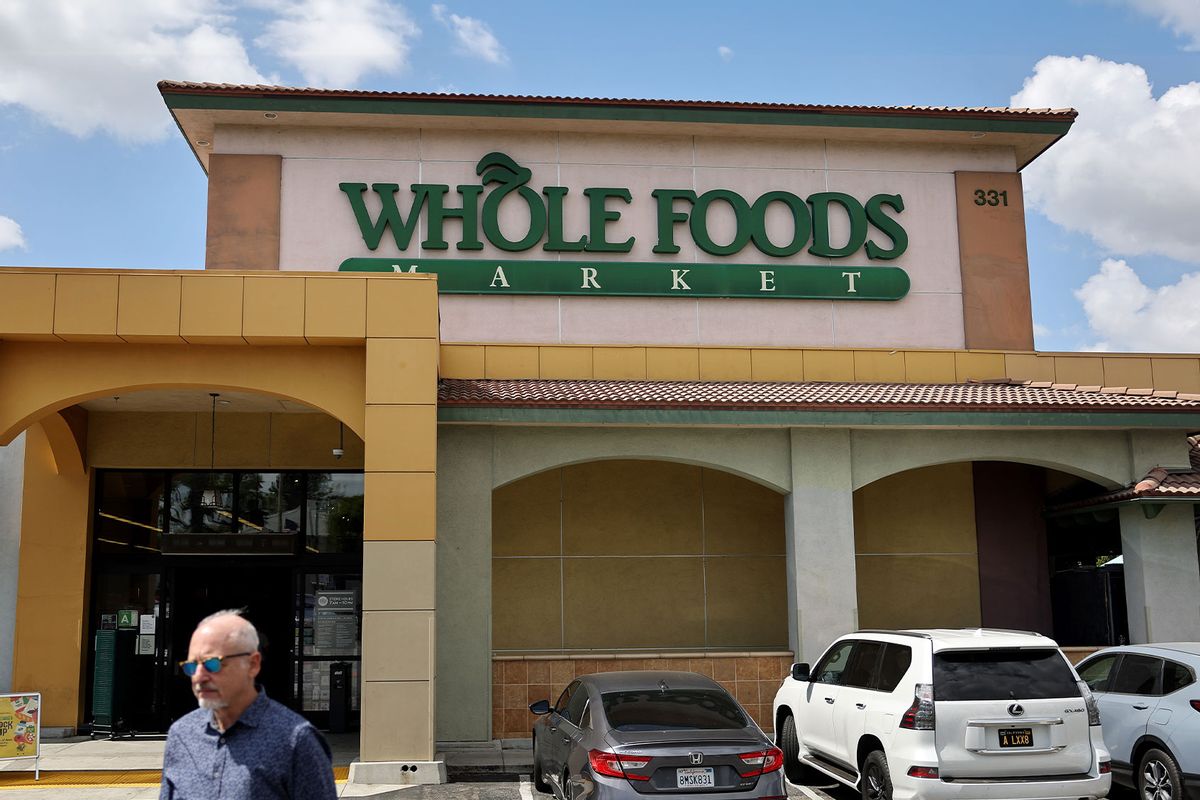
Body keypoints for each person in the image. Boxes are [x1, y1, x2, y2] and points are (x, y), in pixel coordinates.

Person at [160, 609, 337, 800]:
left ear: (253, 664)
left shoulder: (297, 740)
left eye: (212, 664)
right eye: (192, 666)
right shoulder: (181, 734)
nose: (199, 677)